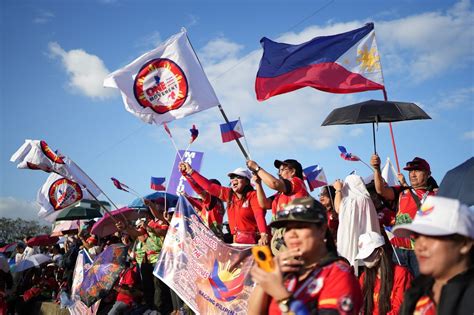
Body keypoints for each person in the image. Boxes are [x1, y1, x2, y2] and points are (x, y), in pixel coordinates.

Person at [248, 197, 362, 314]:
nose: (292, 234)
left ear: (322, 229)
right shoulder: (286, 272)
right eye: (288, 228)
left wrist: (282, 295)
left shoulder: (338, 274)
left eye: (300, 226)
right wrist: (266, 279)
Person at [393, 196, 474, 314]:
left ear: (464, 243)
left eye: (431, 236)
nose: (420, 246)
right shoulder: (416, 292)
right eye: (417, 236)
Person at [371, 155, 436, 276]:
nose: (413, 174)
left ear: (428, 174)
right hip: (398, 250)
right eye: (411, 171)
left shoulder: (436, 196)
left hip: (420, 252)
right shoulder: (402, 191)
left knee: (421, 289)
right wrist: (376, 168)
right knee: (402, 289)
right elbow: (381, 191)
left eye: (417, 170)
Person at [179, 162, 269, 245]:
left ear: (246, 181)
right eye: (232, 178)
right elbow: (208, 186)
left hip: (254, 243)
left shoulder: (253, 195)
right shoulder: (229, 195)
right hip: (236, 243)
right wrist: (190, 172)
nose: (234, 180)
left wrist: (263, 233)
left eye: (238, 177)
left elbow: (259, 215)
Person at [247, 158, 308, 253]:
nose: (280, 173)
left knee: (291, 264)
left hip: (292, 233)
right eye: (279, 170)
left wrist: (257, 168)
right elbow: (264, 204)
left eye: (283, 169)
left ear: (293, 172)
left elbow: (274, 183)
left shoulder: (296, 182)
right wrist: (258, 184)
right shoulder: (281, 193)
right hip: (281, 236)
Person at [356, 231, 413, 315]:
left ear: (380, 251)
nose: (365, 260)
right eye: (363, 257)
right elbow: (359, 306)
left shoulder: (401, 274)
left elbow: (399, 309)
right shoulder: (364, 277)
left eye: (367, 255)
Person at [333, 175, 380, 270]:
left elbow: (338, 208)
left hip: (352, 249)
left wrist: (338, 190)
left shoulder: (350, 202)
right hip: (369, 248)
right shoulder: (367, 199)